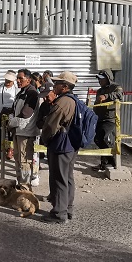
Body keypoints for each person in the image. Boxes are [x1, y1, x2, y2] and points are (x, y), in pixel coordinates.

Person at [38, 71, 78, 224]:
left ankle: (59, 214)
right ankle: (67, 209)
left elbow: (50, 125)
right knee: (67, 178)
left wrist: (45, 140)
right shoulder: (73, 99)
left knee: (59, 179)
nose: (54, 85)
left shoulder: (63, 102)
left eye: (58, 83)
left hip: (61, 145)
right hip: (71, 144)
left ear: (65, 87)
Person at [8, 68, 41, 187]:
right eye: (17, 78)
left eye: (20, 78)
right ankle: (20, 183)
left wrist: (11, 121)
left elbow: (26, 113)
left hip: (26, 132)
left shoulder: (32, 93)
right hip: (18, 130)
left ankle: (25, 186)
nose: (17, 80)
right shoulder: (21, 92)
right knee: (17, 158)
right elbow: (14, 109)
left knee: (24, 160)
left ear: (28, 79)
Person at [93, 69, 124, 170]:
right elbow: (97, 104)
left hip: (110, 119)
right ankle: (104, 163)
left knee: (101, 138)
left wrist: (106, 96)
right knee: (99, 140)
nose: (100, 81)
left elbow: (120, 96)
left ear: (108, 78)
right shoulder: (99, 90)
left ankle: (112, 160)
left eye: (102, 79)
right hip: (100, 118)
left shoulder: (115, 87)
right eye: (99, 79)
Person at [0, 70, 18, 161]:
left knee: (11, 133)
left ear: (13, 81)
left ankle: (10, 150)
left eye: (9, 80)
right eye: (6, 80)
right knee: (1, 132)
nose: (7, 82)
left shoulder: (16, 89)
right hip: (0, 113)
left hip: (11, 115)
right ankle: (1, 150)